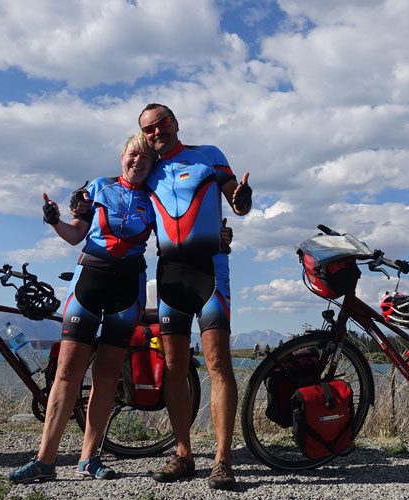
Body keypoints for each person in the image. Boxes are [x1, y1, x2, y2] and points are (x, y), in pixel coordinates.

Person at [9, 132, 157, 483]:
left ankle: (89, 458)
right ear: (122, 155)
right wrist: (54, 220)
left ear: (152, 165)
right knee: (66, 374)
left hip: (127, 289)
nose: (137, 161)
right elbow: (76, 234)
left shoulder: (156, 199)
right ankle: (45, 461)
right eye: (132, 155)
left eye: (145, 158)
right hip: (89, 282)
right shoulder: (99, 187)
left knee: (106, 377)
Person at [137, 103, 252, 490]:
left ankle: (223, 459)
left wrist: (242, 198)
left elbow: (236, 199)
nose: (156, 132)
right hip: (170, 274)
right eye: (149, 129)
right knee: (173, 365)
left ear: (175, 123)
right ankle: (184, 454)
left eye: (162, 123)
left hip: (210, 269)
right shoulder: (147, 171)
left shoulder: (208, 156)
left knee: (218, 361)